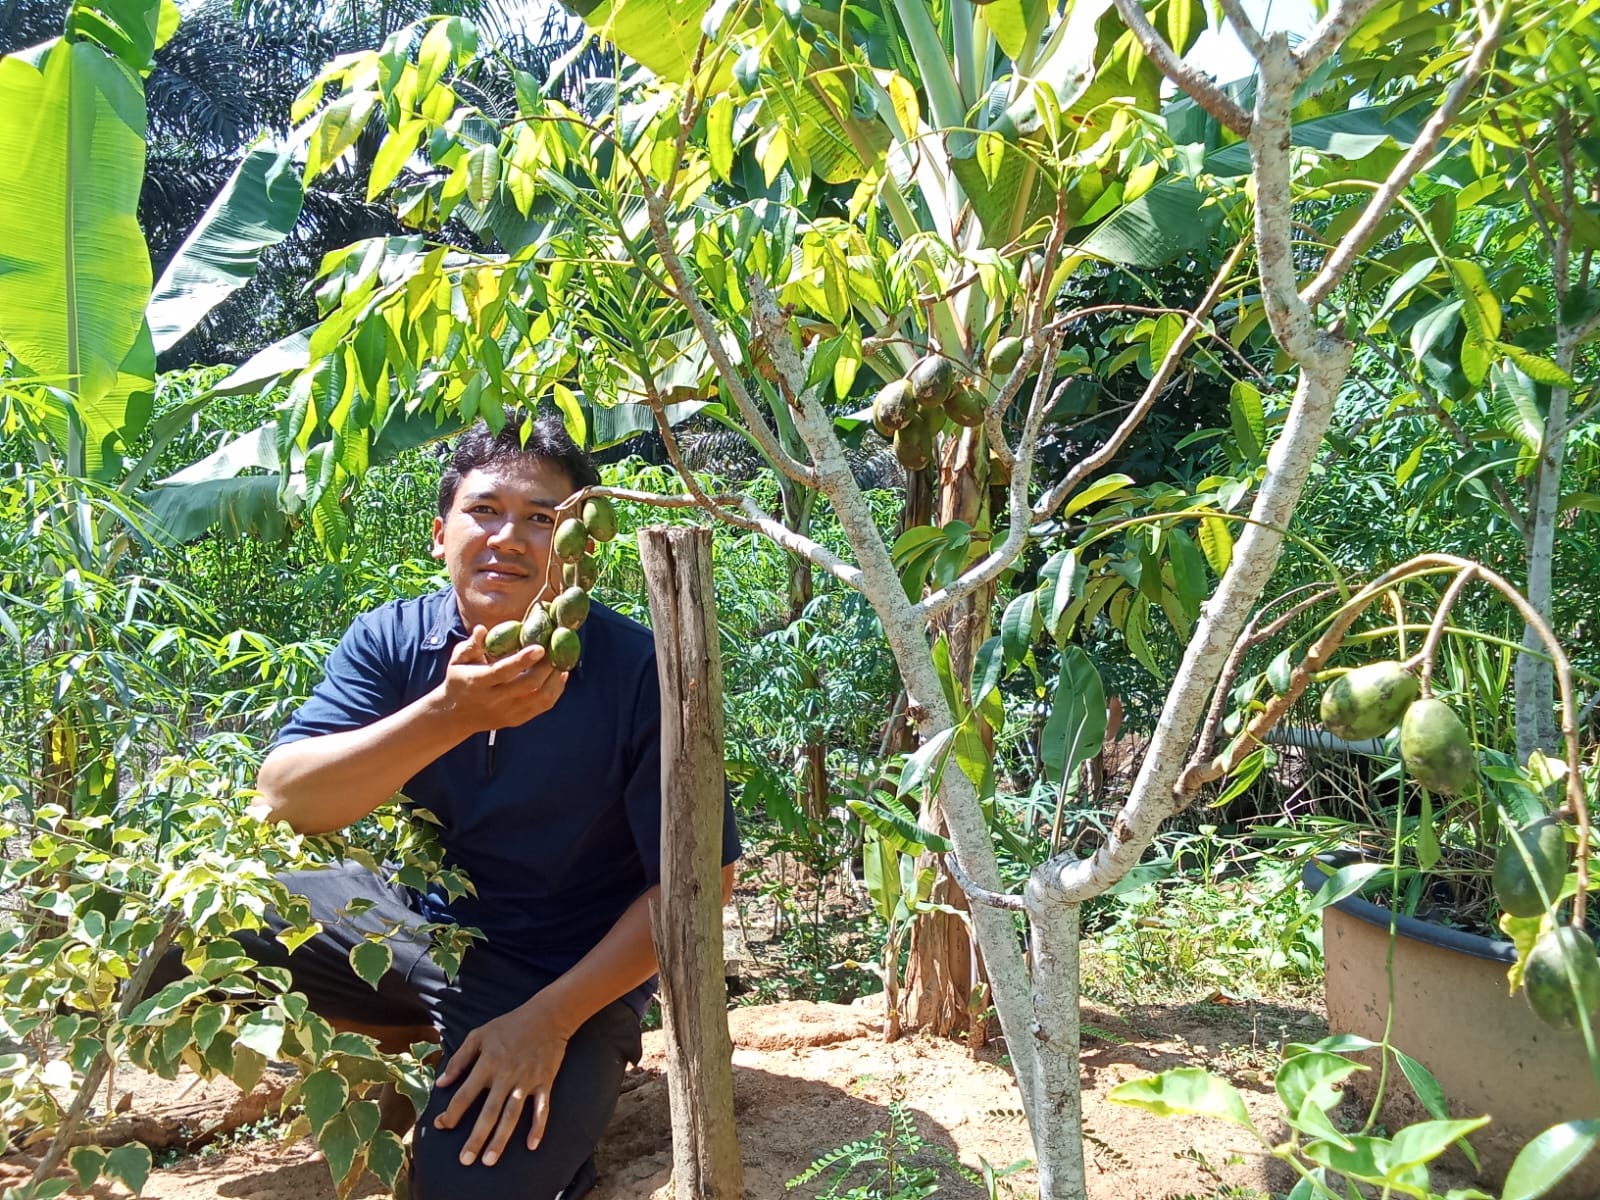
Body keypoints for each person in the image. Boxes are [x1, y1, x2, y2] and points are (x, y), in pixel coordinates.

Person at [248, 412, 741, 1200]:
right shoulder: (392, 642)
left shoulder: (639, 670)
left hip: (565, 976)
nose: (509, 538)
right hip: (421, 932)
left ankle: (528, 1068)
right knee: (211, 910)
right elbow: (282, 797)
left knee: (468, 1186)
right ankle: (420, 1035)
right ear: (441, 534)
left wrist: (546, 1023)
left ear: (580, 547)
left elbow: (699, 886)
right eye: (485, 511)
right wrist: (449, 713)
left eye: (542, 518)